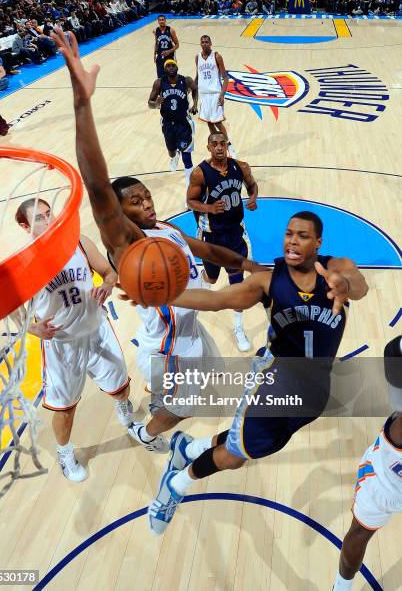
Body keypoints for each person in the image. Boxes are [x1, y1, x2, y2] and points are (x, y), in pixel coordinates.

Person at [51, 27, 264, 455]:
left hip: (191, 329)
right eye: (134, 201)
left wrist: (253, 267)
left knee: (209, 379)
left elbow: (204, 250)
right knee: (186, 407)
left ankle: (156, 401)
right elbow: (96, 186)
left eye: (146, 195)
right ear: (118, 213)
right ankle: (146, 432)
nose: (146, 202)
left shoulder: (163, 228)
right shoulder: (124, 242)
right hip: (169, 344)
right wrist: (81, 102)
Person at [143, 211, 369, 534]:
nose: (292, 240)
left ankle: (188, 448)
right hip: (272, 384)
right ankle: (176, 485)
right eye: (289, 233)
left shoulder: (336, 269)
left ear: (319, 242)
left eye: (302, 235)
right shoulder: (268, 280)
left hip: (315, 390)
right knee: (237, 455)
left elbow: (360, 286)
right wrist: (164, 296)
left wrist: (345, 285)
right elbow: (217, 300)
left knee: (252, 441)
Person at [14, 198, 132, 482]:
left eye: (48, 213)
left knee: (121, 389)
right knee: (66, 410)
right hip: (62, 346)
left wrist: (106, 284)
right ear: (24, 225)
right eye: (39, 218)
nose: (48, 219)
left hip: (98, 330)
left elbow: (109, 272)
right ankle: (64, 452)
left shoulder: (78, 241)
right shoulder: (25, 264)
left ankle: (124, 410)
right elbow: (15, 314)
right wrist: (33, 330)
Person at [333, 335, 402, 590]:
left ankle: (341, 586)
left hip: (387, 479)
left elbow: (394, 352)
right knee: (359, 534)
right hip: (390, 476)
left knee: (359, 533)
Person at [187, 131, 258, 351]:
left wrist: (253, 197)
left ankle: (238, 328)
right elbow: (190, 201)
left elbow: (252, 185)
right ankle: (201, 278)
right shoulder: (200, 173)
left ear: (227, 145)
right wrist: (208, 207)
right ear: (208, 147)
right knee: (211, 278)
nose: (219, 147)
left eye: (222, 144)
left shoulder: (241, 166)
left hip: (235, 234)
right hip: (211, 236)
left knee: (238, 285)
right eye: (214, 144)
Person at [148, 58, 198, 188]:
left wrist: (195, 105)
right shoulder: (159, 83)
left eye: (173, 65)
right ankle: (174, 156)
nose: (171, 67)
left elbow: (195, 89)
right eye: (168, 66)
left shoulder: (186, 80)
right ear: (165, 69)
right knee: (171, 150)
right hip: (167, 123)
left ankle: (189, 187)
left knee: (187, 156)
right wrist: (156, 103)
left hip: (183, 123)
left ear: (177, 67)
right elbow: (150, 103)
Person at [196, 35, 236, 158]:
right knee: (209, 122)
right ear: (200, 44)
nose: (205, 44)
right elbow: (198, 77)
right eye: (203, 42)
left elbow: (225, 78)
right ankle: (217, 144)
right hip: (203, 94)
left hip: (215, 94)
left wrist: (222, 95)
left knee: (218, 122)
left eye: (207, 42)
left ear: (211, 43)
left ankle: (228, 145)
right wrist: (192, 89)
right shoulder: (197, 57)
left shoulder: (217, 56)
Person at [153, 15, 179, 79]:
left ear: (165, 20)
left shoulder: (171, 30)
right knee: (160, 77)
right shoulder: (155, 30)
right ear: (158, 21)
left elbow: (177, 44)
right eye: (160, 20)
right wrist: (154, 54)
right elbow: (156, 43)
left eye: (163, 19)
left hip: (169, 57)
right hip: (160, 57)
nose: (161, 21)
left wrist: (169, 51)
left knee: (171, 76)